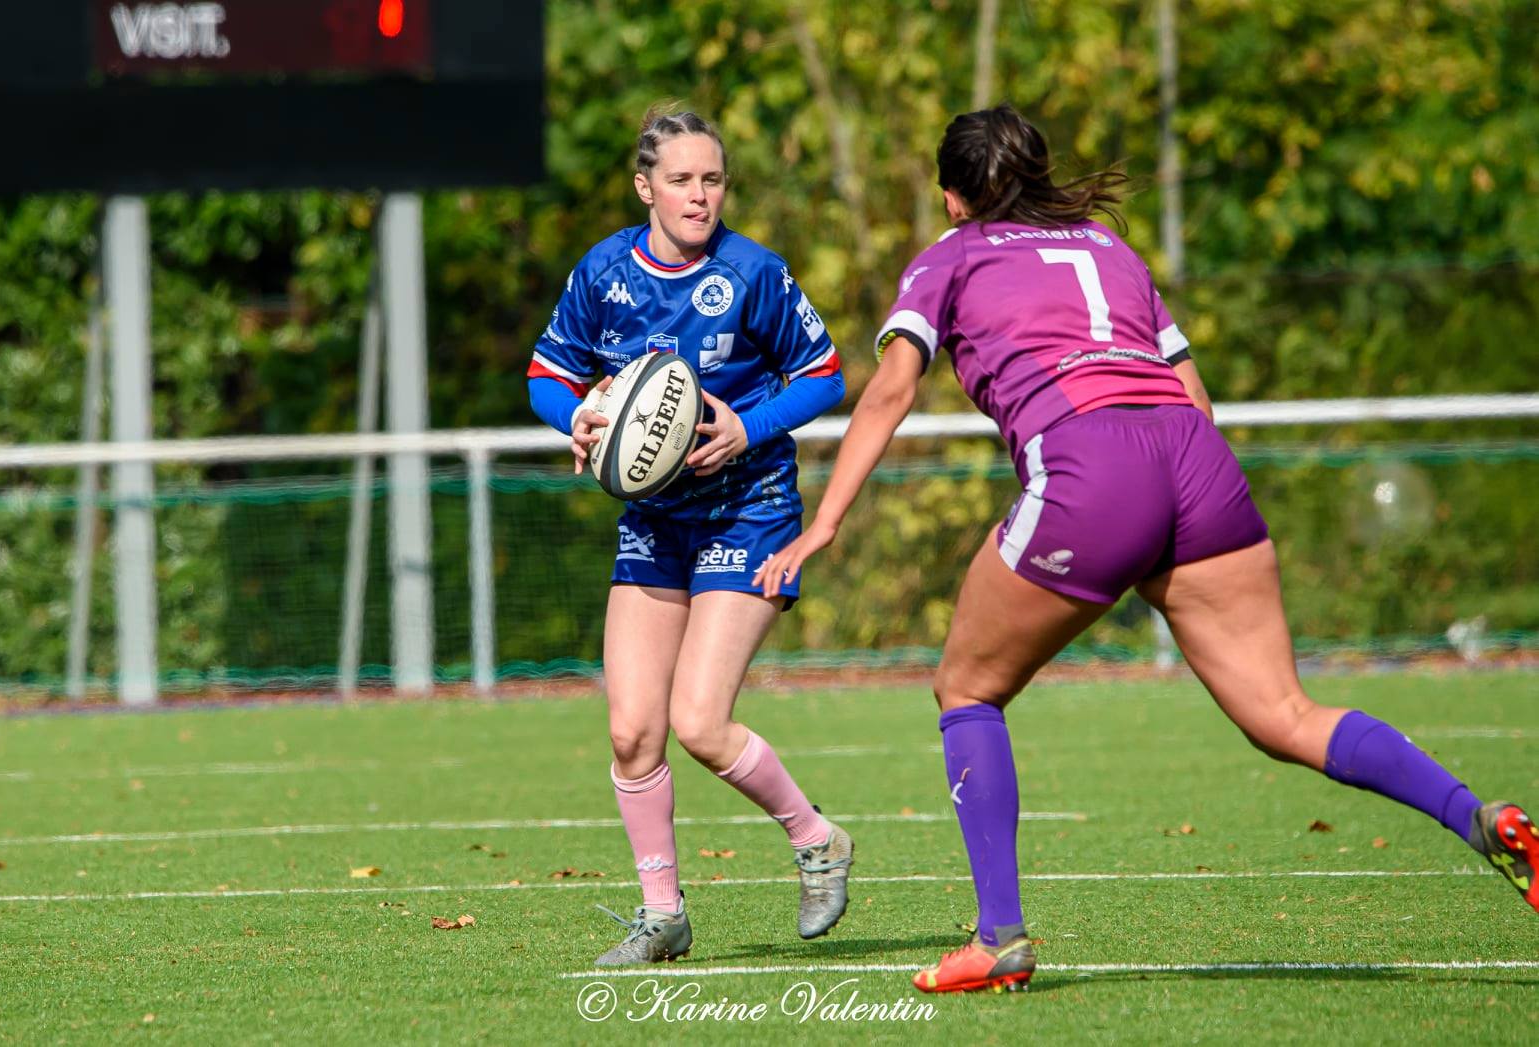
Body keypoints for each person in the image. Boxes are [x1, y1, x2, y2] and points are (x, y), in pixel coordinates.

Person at [755, 104, 1537, 994]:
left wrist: (822, 524)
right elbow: (1195, 399)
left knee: (968, 688)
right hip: (1194, 460)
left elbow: (891, 392)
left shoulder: (950, 256)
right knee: (1284, 711)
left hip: (1092, 465)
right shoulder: (1109, 250)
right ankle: (1479, 815)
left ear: (952, 198)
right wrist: (1154, 531)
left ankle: (999, 934)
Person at [526, 106, 852, 966]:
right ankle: (662, 913)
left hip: (750, 514)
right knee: (633, 729)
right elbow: (546, 374)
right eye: (681, 180)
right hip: (656, 523)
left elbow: (824, 374)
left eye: (712, 179)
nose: (700, 195)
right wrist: (580, 422)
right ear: (646, 187)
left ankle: (818, 841)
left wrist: (748, 427)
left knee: (700, 722)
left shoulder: (753, 273)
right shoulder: (603, 272)